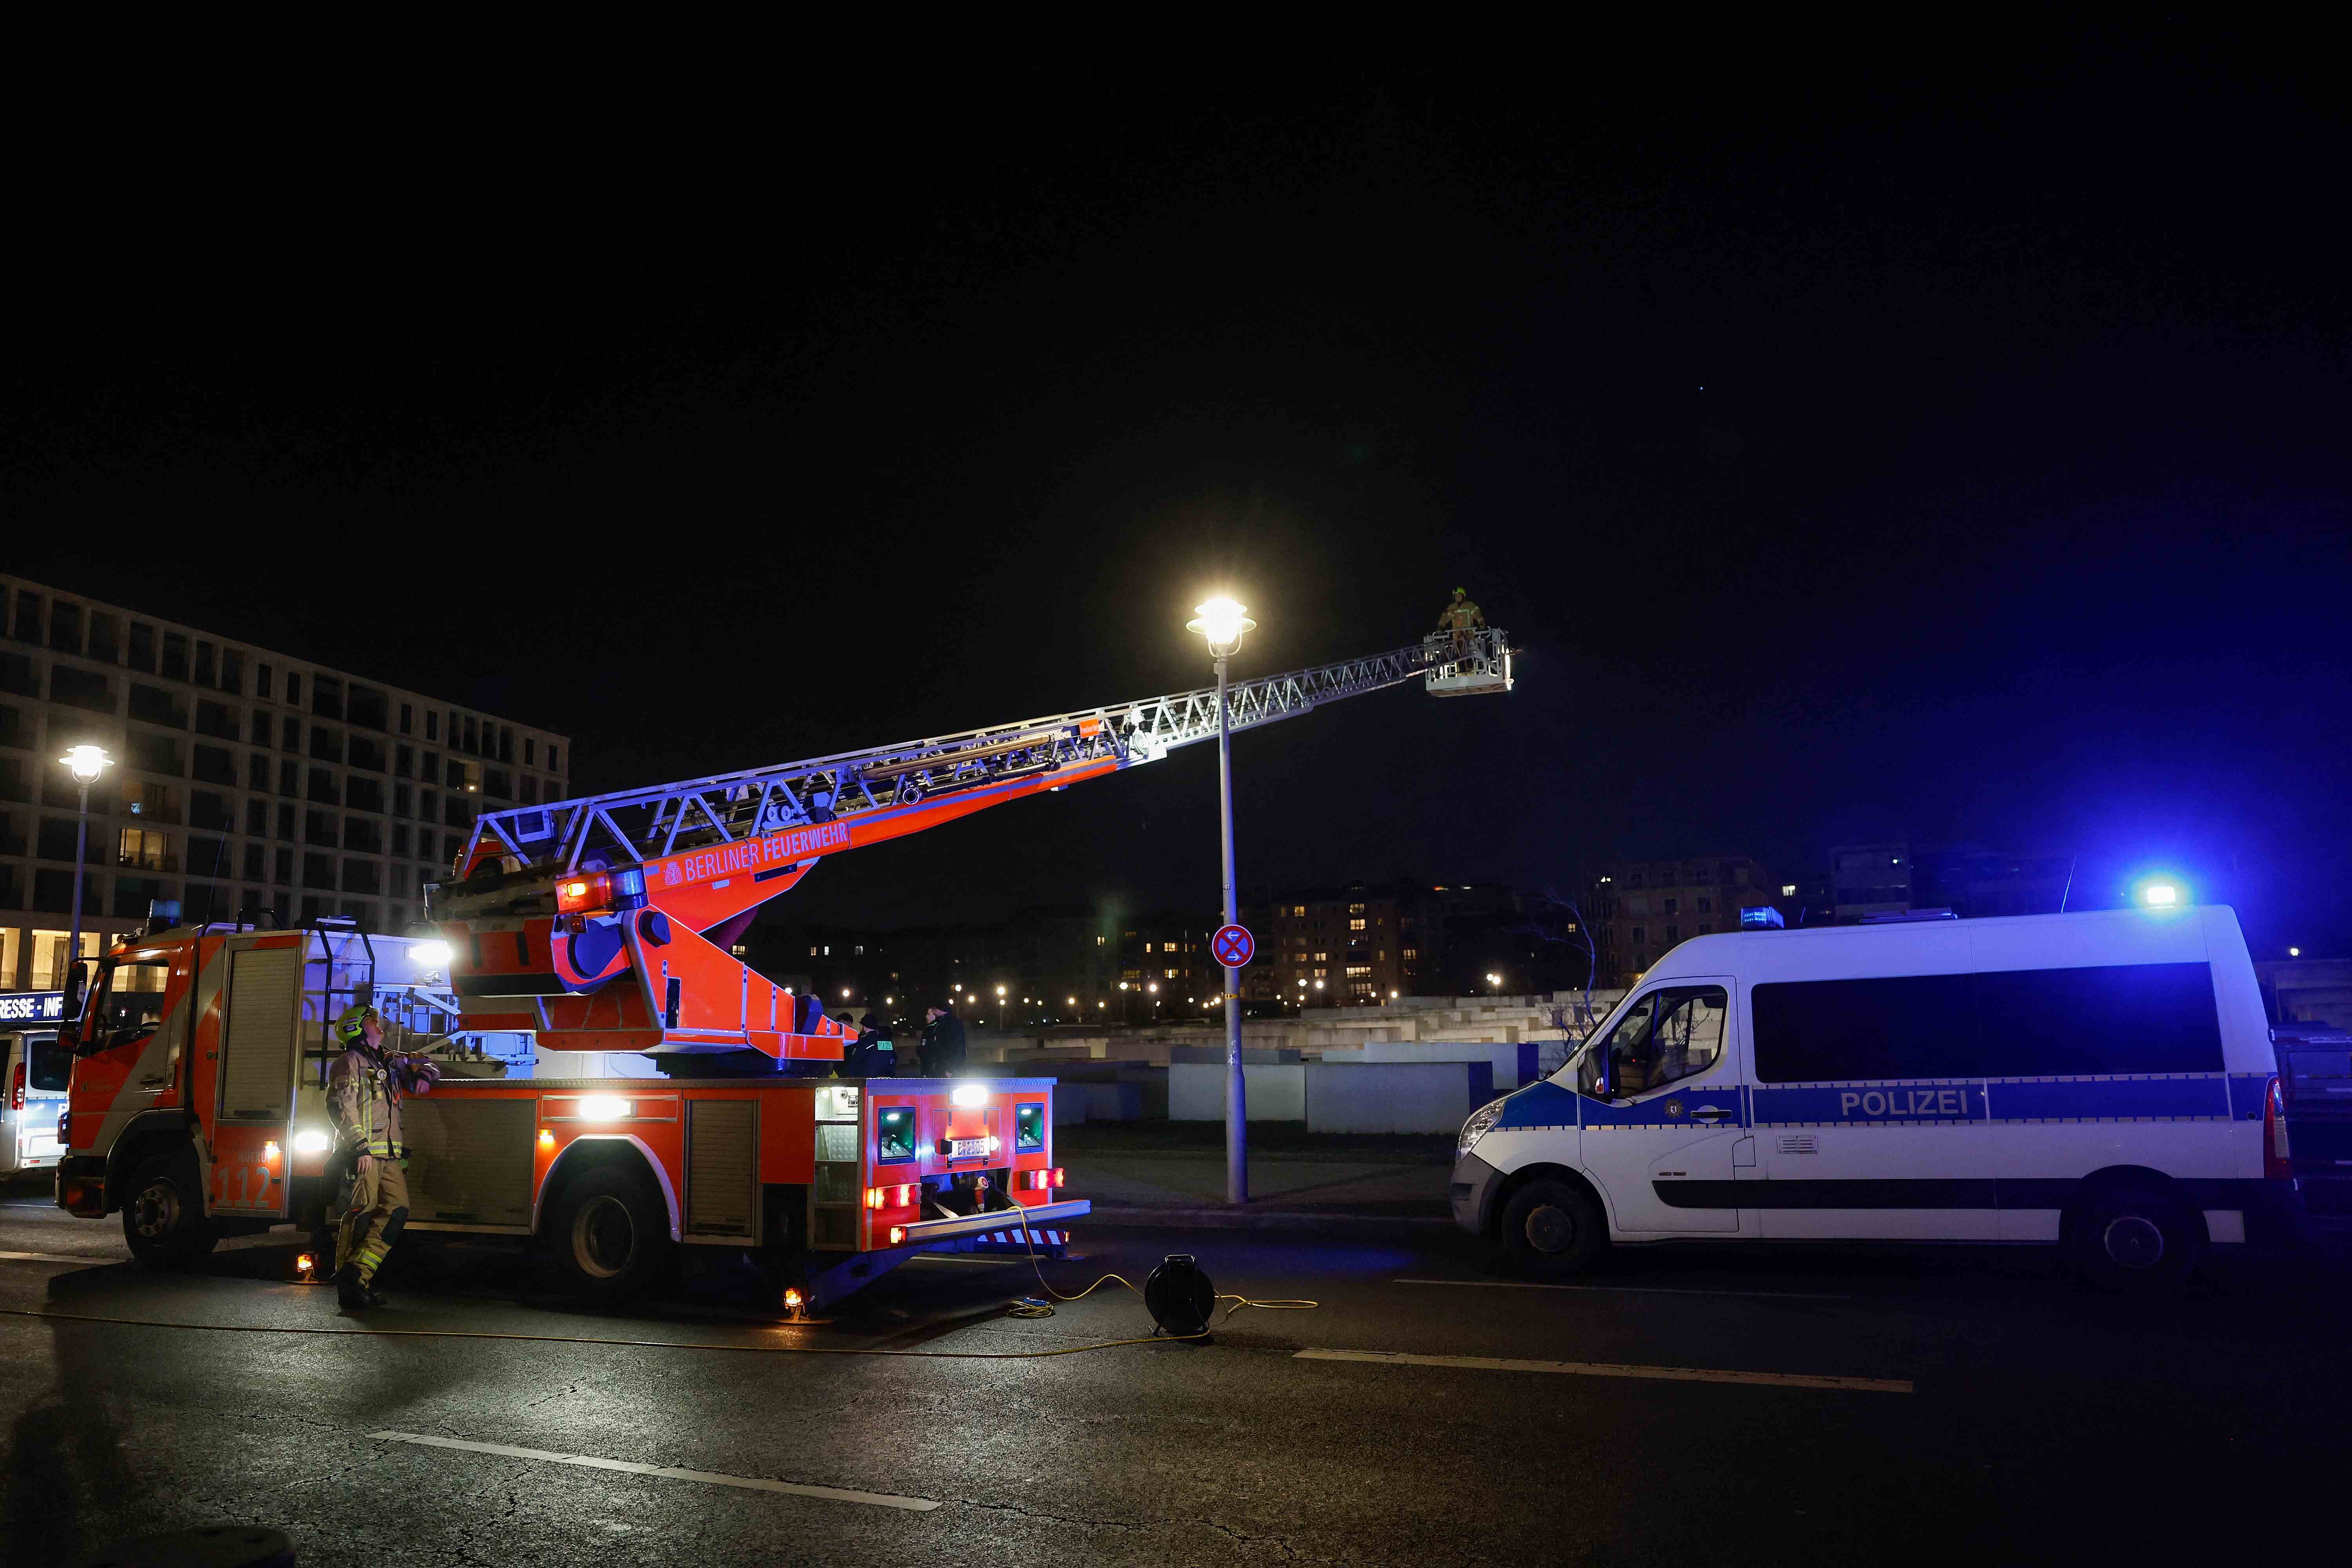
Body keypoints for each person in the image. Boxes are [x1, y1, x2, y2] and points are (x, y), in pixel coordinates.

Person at [326, 1003, 440, 1310]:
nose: (380, 1024)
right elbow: (340, 1107)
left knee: (398, 1210)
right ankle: (349, 1286)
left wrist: (425, 1077)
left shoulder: (388, 1061)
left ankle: (358, 1274)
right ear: (358, 1027)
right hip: (366, 1155)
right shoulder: (349, 1062)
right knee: (362, 1215)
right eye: (373, 1020)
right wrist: (359, 1147)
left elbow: (426, 1062)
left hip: (389, 1155)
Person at [918, 1003, 967, 1078]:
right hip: (946, 1070)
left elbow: (955, 1048)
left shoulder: (949, 1024)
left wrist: (950, 1070)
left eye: (935, 1009)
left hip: (948, 1071)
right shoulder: (945, 1023)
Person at [1436, 587, 1486, 657]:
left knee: (1472, 655)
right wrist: (1440, 627)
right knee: (1458, 657)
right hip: (1457, 639)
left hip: (1470, 637)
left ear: (1463, 596)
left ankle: (1477, 664)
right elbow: (1444, 618)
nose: (1457, 597)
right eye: (1456, 596)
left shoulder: (1470, 606)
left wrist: (1482, 625)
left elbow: (1479, 616)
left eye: (1459, 595)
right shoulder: (1452, 608)